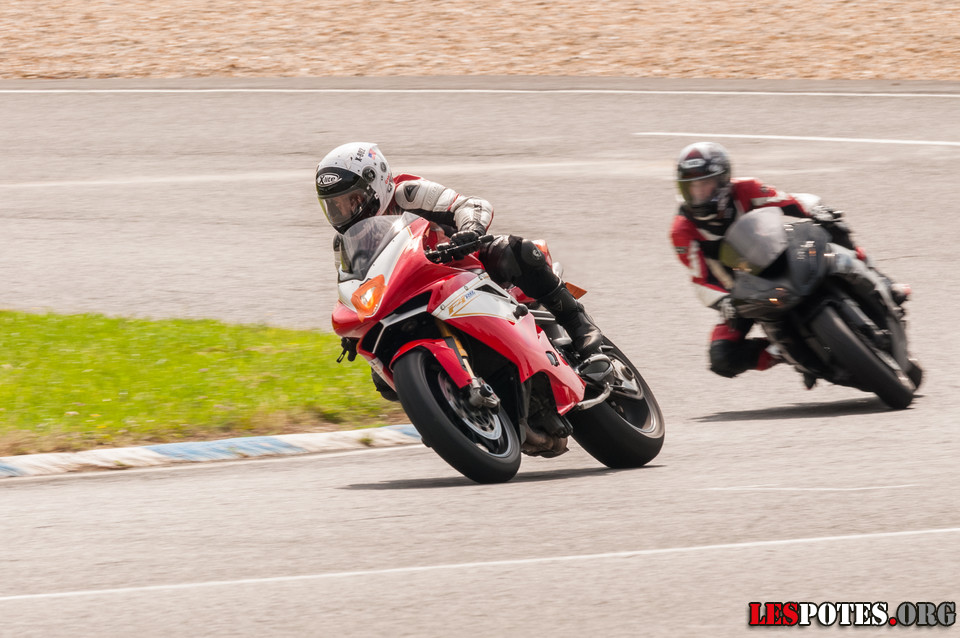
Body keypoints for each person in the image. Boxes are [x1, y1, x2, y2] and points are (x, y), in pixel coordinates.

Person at [316, 142, 602, 399]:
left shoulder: (408, 193)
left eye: (350, 200)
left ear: (375, 183)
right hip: (413, 292)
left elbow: (471, 204)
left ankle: (579, 325)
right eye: (334, 206)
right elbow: (355, 284)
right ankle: (447, 403)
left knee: (516, 251)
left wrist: (471, 229)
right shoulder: (345, 242)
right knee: (383, 380)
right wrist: (355, 328)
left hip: (465, 267)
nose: (343, 211)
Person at [669, 141, 913, 385]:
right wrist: (725, 301)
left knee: (833, 226)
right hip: (742, 292)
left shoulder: (745, 188)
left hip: (779, 253)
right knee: (722, 357)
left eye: (706, 184)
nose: (699, 193)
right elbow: (701, 279)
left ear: (723, 180)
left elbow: (788, 201)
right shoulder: (682, 230)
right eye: (692, 187)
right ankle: (780, 352)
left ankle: (882, 280)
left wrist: (817, 210)